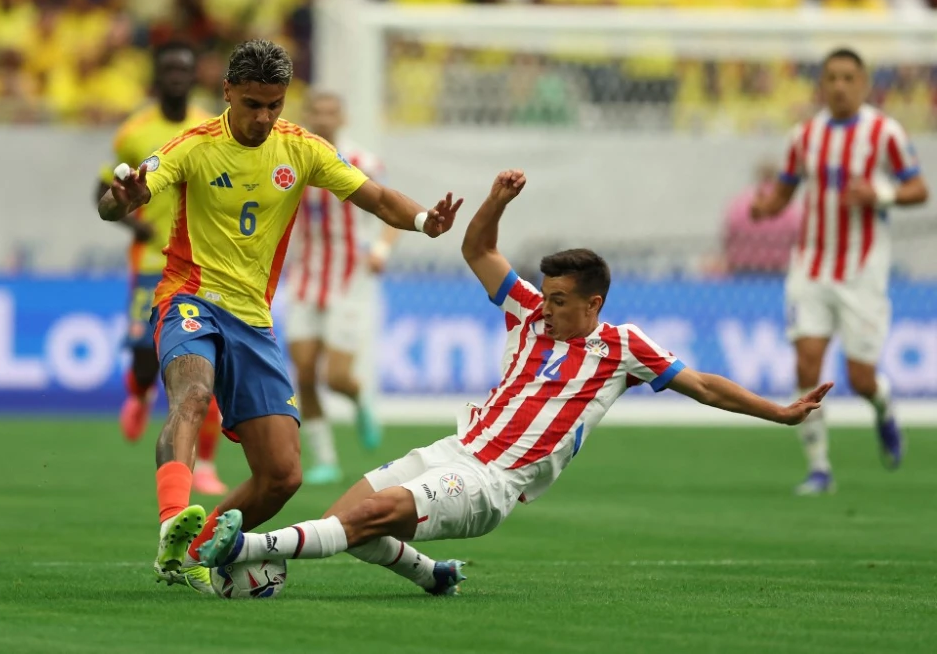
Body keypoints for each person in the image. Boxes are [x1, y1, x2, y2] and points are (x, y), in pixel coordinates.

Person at [195, 170, 833, 596]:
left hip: (492, 483)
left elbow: (705, 385)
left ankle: (244, 547)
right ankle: (432, 576)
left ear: (593, 303)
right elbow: (477, 250)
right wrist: (497, 201)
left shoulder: (623, 348)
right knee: (347, 523)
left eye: (560, 300)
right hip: (455, 450)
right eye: (545, 295)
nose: (545, 307)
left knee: (367, 518)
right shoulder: (527, 311)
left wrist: (777, 412)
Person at [97, 39, 462, 594]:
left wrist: (423, 221)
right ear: (227, 92)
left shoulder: (302, 149)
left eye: (275, 105)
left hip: (254, 318)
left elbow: (377, 198)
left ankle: (189, 555)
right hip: (190, 297)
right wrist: (122, 199)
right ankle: (173, 522)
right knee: (193, 394)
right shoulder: (193, 145)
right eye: (253, 104)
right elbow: (114, 203)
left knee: (282, 475)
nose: (264, 118)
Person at [752, 48, 928, 495]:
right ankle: (819, 468)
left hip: (862, 272)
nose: (839, 86)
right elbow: (784, 192)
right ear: (821, 84)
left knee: (860, 378)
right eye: (831, 77)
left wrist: (880, 194)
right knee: (806, 361)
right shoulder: (804, 135)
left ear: (864, 83)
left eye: (848, 78)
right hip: (810, 267)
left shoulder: (885, 132)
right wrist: (764, 207)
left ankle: (884, 408)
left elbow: (918, 188)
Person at [96, 41, 228, 496]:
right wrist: (133, 225)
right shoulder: (135, 132)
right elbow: (103, 191)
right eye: (169, 69)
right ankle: (138, 392)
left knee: (204, 366)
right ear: (157, 76)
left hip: (200, 265)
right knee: (144, 358)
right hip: (152, 261)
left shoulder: (210, 127)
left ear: (194, 76)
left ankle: (205, 463)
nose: (176, 76)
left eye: (183, 69)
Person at [285, 90, 398, 486]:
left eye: (331, 111)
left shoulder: (364, 162)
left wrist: (381, 250)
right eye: (317, 110)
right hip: (305, 278)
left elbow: (391, 210)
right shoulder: (292, 159)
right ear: (307, 114)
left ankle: (359, 398)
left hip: (349, 281)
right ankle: (325, 459)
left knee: (334, 377)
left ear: (343, 117)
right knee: (303, 373)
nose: (324, 117)